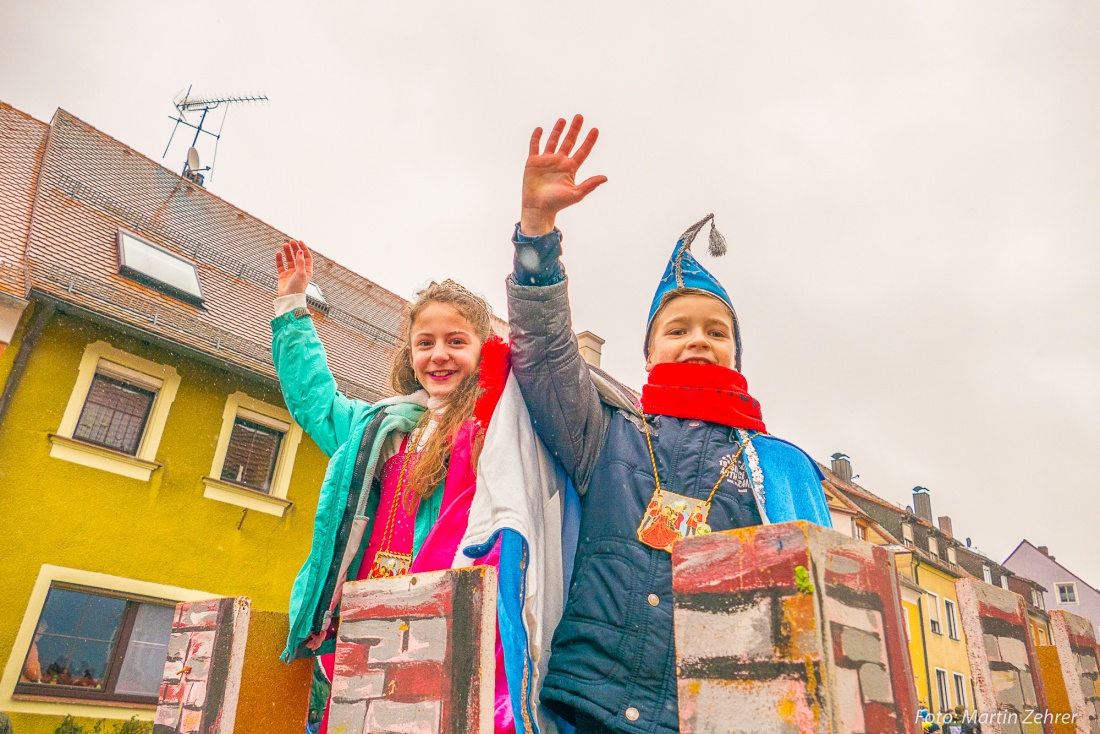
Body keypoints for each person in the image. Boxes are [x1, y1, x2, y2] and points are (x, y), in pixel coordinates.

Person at [506, 116, 833, 734]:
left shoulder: (774, 468)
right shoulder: (608, 431)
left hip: (717, 716)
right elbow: (545, 353)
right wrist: (536, 231)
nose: (698, 342)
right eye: (676, 330)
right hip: (585, 706)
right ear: (649, 352)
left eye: (716, 332)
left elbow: (812, 609)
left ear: (737, 352)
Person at [272, 241, 570, 734]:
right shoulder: (381, 427)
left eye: (457, 341)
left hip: (446, 614)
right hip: (368, 612)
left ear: (482, 349)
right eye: (425, 342)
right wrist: (292, 308)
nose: (439, 355)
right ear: (410, 355)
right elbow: (316, 402)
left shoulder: (492, 428)